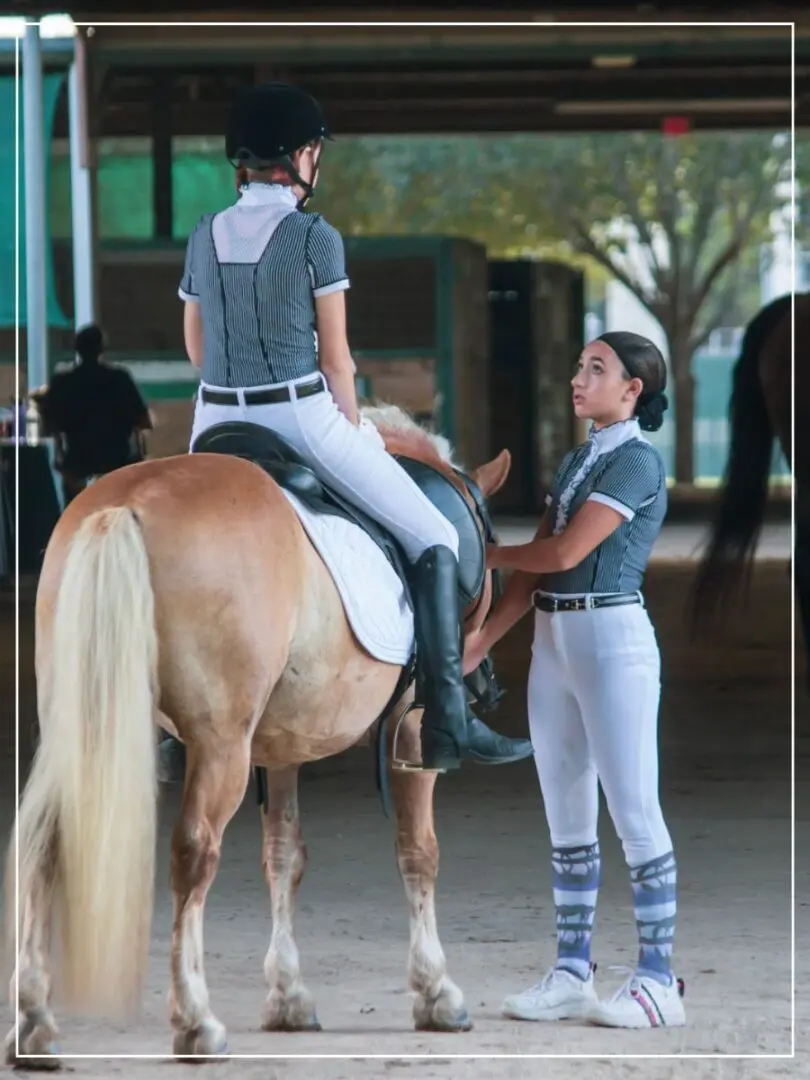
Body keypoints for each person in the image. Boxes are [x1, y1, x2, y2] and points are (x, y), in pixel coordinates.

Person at [164, 80, 532, 777]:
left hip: (212, 422)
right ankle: (452, 719)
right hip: (299, 414)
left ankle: (166, 725)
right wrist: (356, 430)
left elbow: (196, 349)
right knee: (431, 534)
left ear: (241, 160)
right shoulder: (314, 237)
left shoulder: (203, 234)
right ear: (302, 155)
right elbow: (337, 359)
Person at [463, 332, 685, 1029]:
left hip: (612, 640)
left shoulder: (638, 465)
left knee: (633, 811)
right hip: (557, 640)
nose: (577, 379)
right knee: (566, 816)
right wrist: (482, 641)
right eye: (579, 367)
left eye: (597, 369)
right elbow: (536, 575)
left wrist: (475, 548)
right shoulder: (581, 457)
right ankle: (570, 970)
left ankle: (657, 981)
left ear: (632, 390)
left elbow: (563, 550)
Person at [32, 324, 152, 503]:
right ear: (102, 348)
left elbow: (48, 428)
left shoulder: (63, 382)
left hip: (77, 464)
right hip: (117, 462)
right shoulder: (119, 379)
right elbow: (143, 422)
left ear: (76, 348)